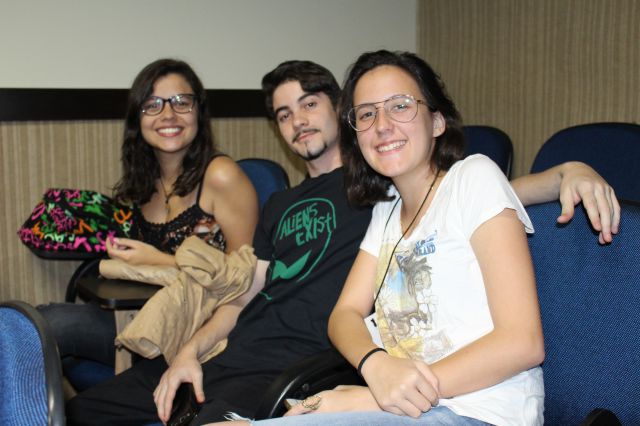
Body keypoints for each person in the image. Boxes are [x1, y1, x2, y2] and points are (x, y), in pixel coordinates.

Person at [67, 59, 619, 426]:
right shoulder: (364, 206)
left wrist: (564, 172)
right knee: (83, 412)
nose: (299, 122)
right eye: (284, 114)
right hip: (296, 367)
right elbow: (258, 298)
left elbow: (474, 194)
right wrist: (190, 350)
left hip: (407, 393)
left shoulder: (395, 186)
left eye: (310, 104)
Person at [241, 49, 543, 426]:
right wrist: (375, 365)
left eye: (400, 106)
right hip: (407, 407)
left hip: (478, 411)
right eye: (367, 114)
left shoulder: (474, 177)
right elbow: (344, 315)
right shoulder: (386, 209)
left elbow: (523, 342)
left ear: (436, 121)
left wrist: (374, 397)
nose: (382, 125)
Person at [38, 58, 258, 373]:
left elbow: (246, 281)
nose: (168, 114)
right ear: (137, 119)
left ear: (198, 111)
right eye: (152, 105)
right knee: (32, 322)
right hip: (146, 315)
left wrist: (157, 260)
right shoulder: (146, 179)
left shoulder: (221, 175)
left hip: (198, 328)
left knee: (48, 324)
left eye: (181, 102)